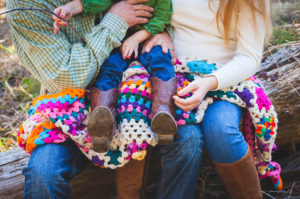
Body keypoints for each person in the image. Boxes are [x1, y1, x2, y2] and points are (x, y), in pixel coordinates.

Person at [6, 0, 157, 198]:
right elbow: (69, 79)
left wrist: (160, 32)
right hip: (65, 111)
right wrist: (115, 20)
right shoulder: (27, 4)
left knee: (172, 143)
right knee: (43, 175)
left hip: (127, 99)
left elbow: (161, 9)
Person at [140, 0, 272, 198]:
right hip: (176, 75)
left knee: (220, 130)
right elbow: (153, 11)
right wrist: (161, 31)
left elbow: (249, 56)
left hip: (225, 80)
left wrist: (210, 83)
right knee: (186, 138)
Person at [51, 0, 177, 153]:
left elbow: (162, 18)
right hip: (120, 43)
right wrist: (69, 8)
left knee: (161, 61)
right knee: (109, 68)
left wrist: (136, 38)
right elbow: (94, 3)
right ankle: (101, 119)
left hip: (148, 40)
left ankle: (163, 112)